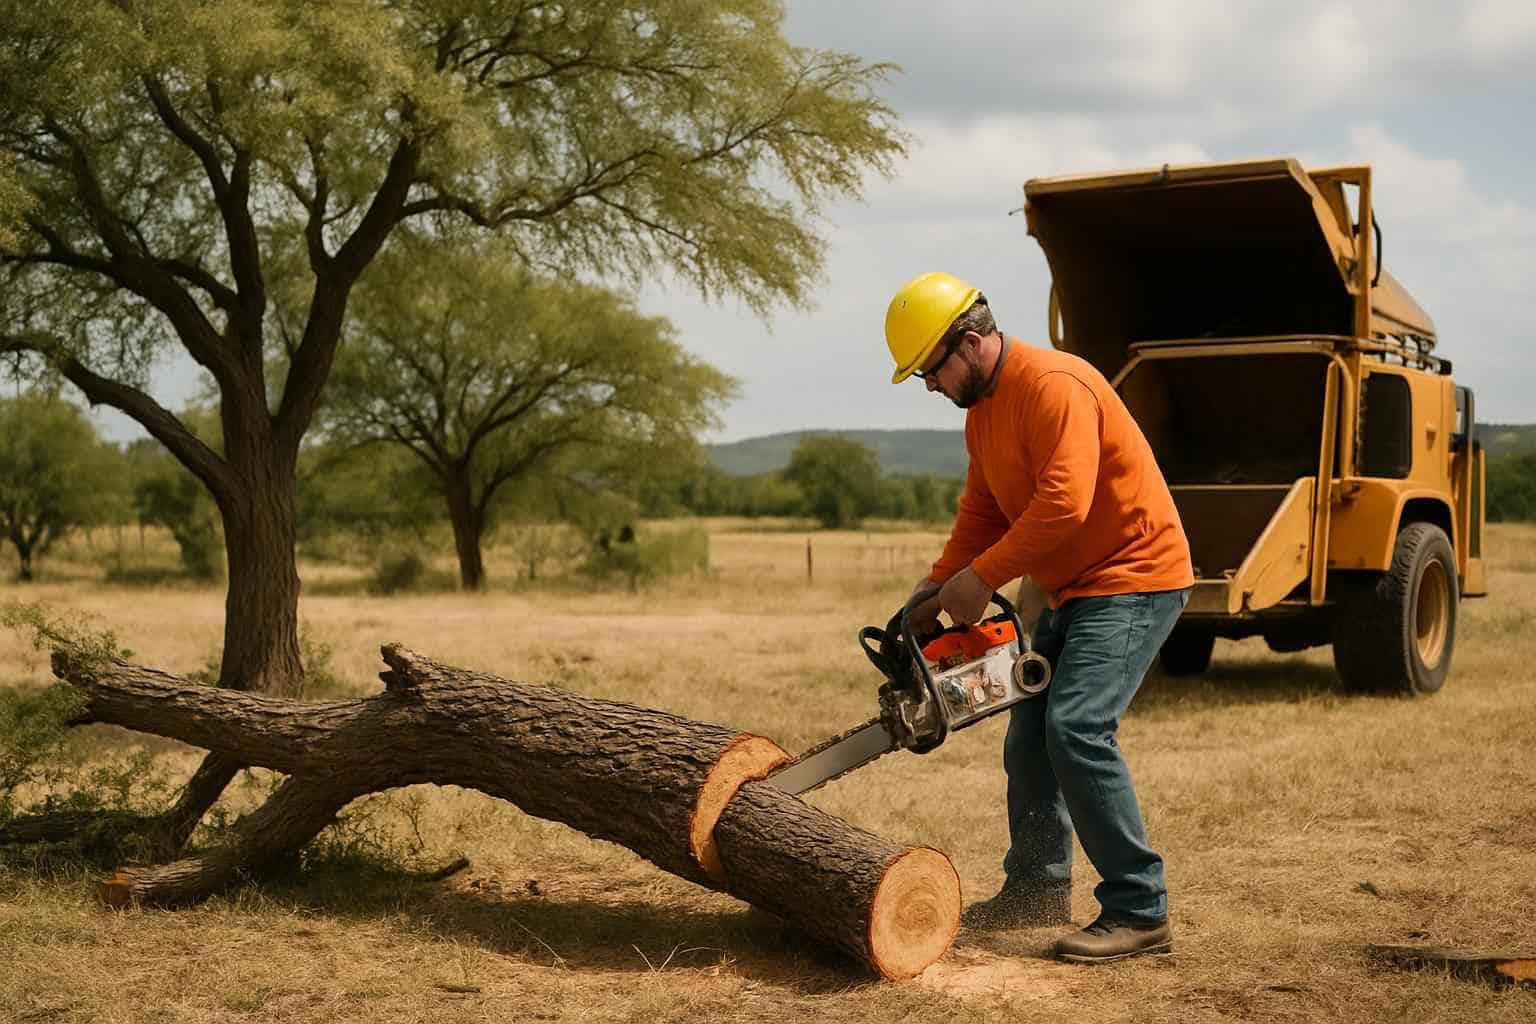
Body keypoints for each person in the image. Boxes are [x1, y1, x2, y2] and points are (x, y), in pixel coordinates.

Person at [886, 271, 1194, 964]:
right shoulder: (983, 414)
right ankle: (1036, 886)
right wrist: (932, 590)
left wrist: (982, 578)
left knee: (1077, 725)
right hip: (1074, 589)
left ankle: (1140, 909)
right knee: (1029, 734)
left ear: (969, 344)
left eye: (930, 371)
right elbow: (983, 514)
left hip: (1135, 578)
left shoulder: (1055, 385)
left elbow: (1064, 505)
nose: (930, 387)